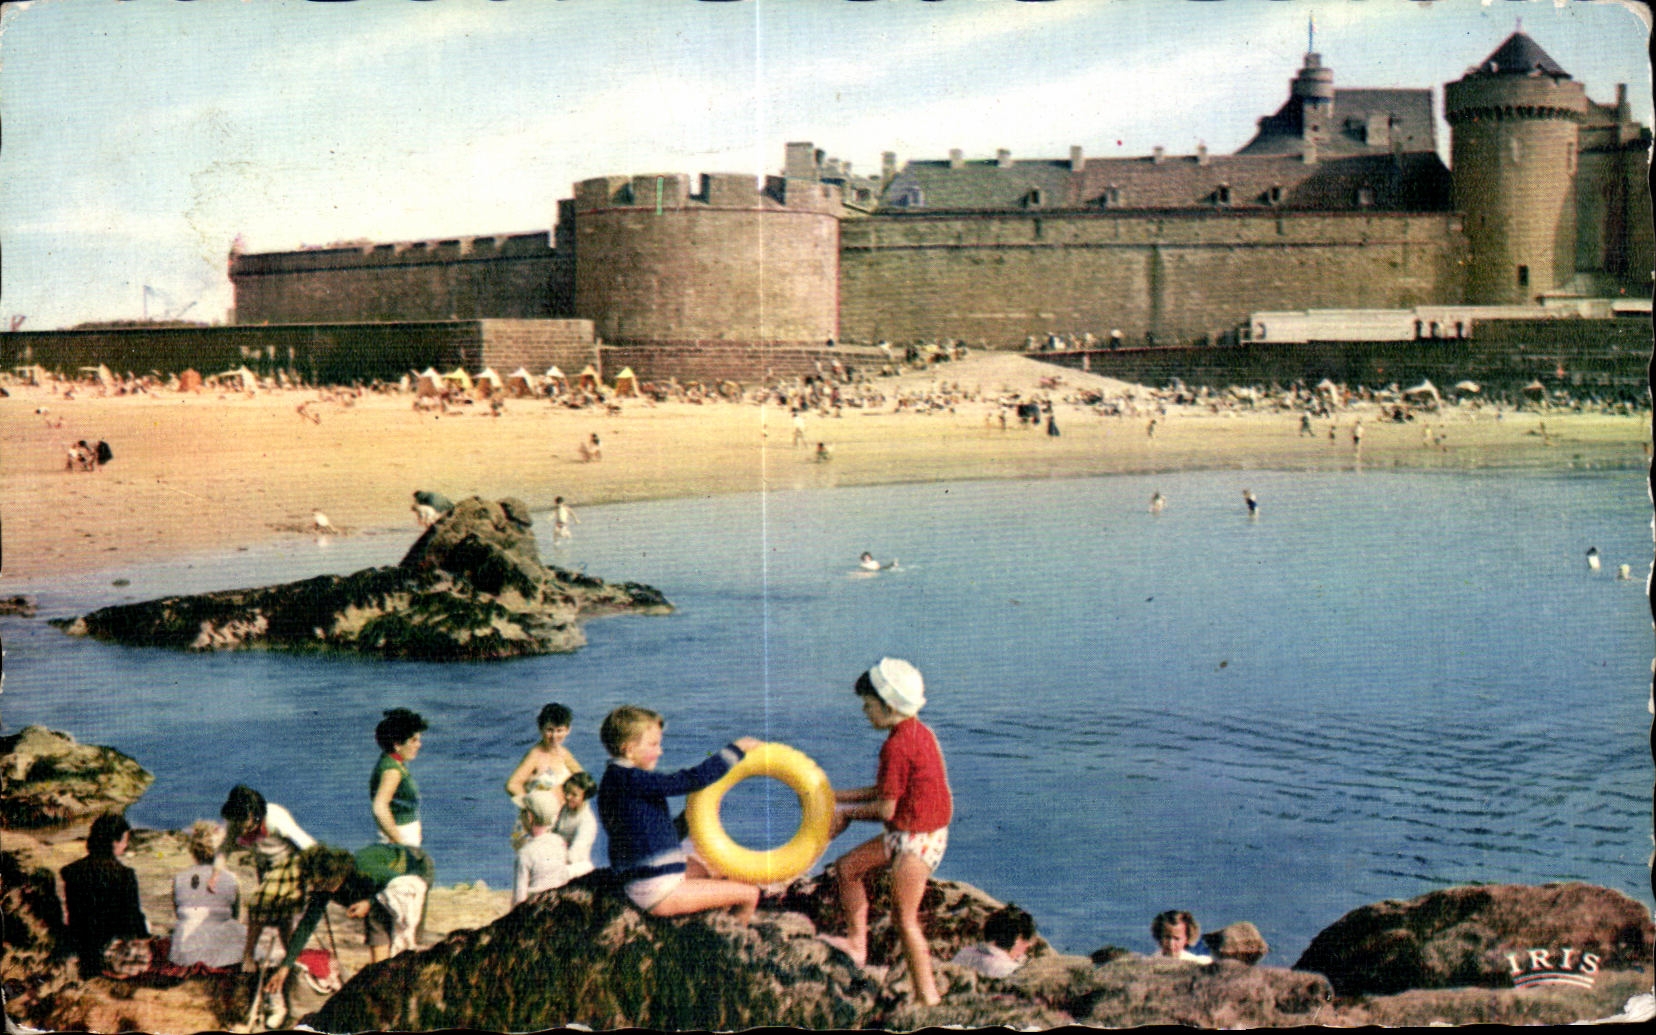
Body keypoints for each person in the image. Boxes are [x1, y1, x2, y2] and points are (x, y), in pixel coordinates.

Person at [822, 658, 953, 1006]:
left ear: (889, 705)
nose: (865, 712)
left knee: (904, 919)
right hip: (908, 831)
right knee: (848, 868)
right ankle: (856, 944)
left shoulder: (896, 746)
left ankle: (928, 997)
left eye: (868, 705)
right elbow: (887, 791)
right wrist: (836, 797)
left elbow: (884, 809)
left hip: (917, 841)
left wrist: (847, 815)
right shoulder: (916, 732)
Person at [595, 705, 763, 922]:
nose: (660, 751)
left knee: (711, 871)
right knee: (750, 894)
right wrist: (735, 751)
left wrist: (691, 816)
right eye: (654, 744)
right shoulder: (632, 780)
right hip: (657, 891)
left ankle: (712, 919)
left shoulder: (616, 780)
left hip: (644, 881)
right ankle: (735, 940)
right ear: (629, 749)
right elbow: (690, 779)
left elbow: (654, 835)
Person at [262, 844, 435, 1007]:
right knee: (379, 947)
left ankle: (404, 993)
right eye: (317, 886)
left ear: (338, 875)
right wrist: (285, 967)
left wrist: (370, 903)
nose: (321, 889)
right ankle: (383, 984)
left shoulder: (364, 869)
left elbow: (404, 888)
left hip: (413, 871)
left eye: (325, 885)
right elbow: (307, 925)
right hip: (376, 889)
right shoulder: (324, 885)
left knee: (404, 944)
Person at [213, 785, 316, 970]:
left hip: (289, 862)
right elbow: (225, 848)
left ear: (254, 814)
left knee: (260, 905)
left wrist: (319, 874)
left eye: (245, 824)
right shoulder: (235, 821)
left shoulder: (275, 818)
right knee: (281, 916)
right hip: (264, 865)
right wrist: (215, 874)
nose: (242, 829)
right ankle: (289, 955)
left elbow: (306, 844)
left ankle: (249, 955)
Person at [60, 812, 150, 978]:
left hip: (80, 943)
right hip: (110, 948)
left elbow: (73, 912)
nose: (125, 845)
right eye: (124, 840)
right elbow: (133, 915)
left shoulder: (71, 871)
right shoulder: (125, 874)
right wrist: (144, 938)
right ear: (114, 842)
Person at [169, 821, 246, 968]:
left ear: (193, 850)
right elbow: (236, 917)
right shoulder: (231, 878)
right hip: (222, 952)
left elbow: (178, 915)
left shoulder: (179, 878)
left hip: (184, 952)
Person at [506, 702, 584, 844]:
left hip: (560, 821)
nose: (554, 736)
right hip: (536, 824)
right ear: (541, 728)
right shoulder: (535, 755)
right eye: (549, 730)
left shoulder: (564, 754)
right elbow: (512, 785)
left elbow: (583, 781)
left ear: (568, 730)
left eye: (559, 730)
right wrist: (532, 808)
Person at [372, 708, 428, 847]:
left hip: (404, 837)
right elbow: (379, 807)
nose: (419, 745)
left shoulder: (392, 763)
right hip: (401, 839)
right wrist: (399, 842)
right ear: (397, 744)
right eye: (414, 740)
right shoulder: (392, 770)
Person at [513, 790, 571, 905]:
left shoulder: (525, 853)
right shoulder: (560, 843)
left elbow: (519, 897)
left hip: (535, 909)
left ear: (529, 817)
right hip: (558, 905)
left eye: (522, 813)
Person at [950, 903, 1036, 978]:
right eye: (1026, 946)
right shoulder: (1009, 969)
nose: (1023, 952)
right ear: (1018, 939)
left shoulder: (964, 953)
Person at [554, 772, 600, 878]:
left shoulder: (587, 821)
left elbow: (574, 855)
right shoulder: (565, 809)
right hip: (559, 859)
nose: (568, 797)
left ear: (585, 796)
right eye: (566, 792)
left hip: (576, 868)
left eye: (574, 795)